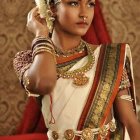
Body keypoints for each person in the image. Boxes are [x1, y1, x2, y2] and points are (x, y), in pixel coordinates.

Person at [1, 0, 140, 139]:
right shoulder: (28, 60)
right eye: (74, 3)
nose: (84, 13)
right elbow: (44, 83)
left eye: (90, 4)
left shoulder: (110, 58)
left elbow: (129, 122)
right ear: (51, 8)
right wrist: (40, 35)